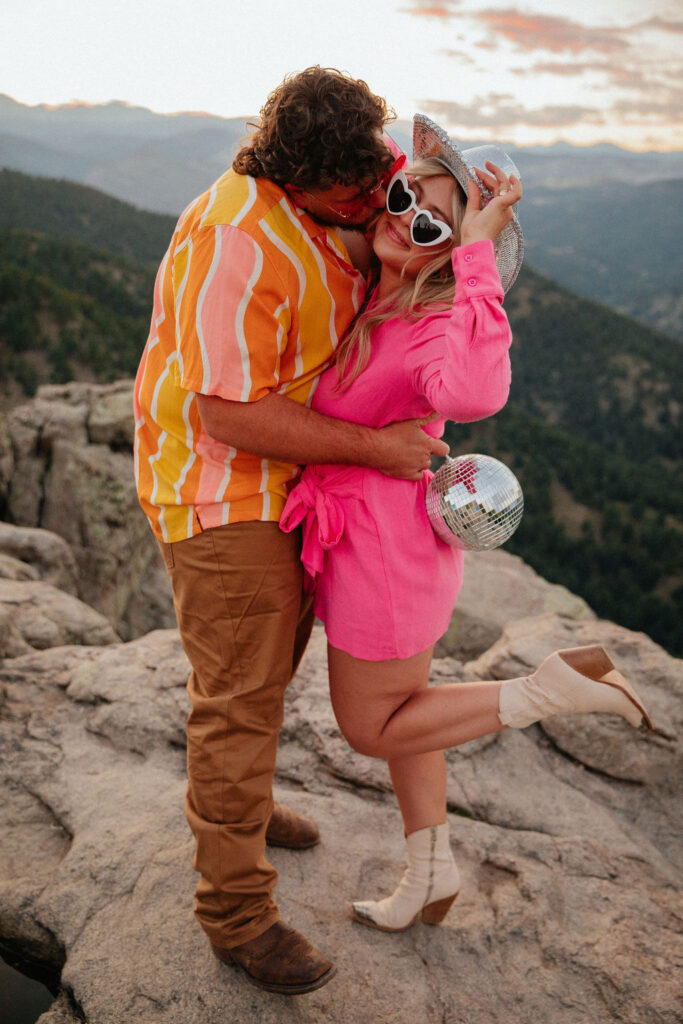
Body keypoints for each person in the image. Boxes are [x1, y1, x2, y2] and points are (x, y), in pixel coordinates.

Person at [280, 113, 653, 934]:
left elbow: (475, 396)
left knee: (370, 726)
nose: (400, 217)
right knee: (412, 714)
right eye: (404, 195)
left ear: (452, 252)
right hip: (376, 545)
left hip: (381, 556)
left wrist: (475, 249)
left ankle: (553, 688)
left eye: (428, 224)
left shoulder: (428, 323)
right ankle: (431, 872)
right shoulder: (376, 294)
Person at [134, 70, 451, 995]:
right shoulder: (237, 244)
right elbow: (229, 416)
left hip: (298, 484)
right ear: (295, 179)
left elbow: (425, 187)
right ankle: (235, 913)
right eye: (355, 199)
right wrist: (376, 448)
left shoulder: (359, 169)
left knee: (265, 665)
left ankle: (242, 803)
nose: (374, 207)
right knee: (238, 692)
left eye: (380, 185)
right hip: (219, 489)